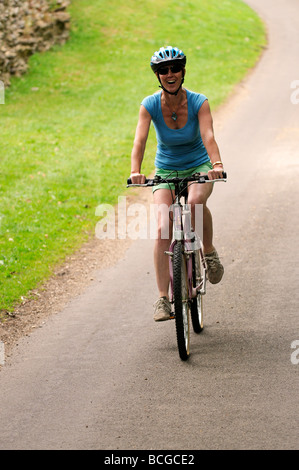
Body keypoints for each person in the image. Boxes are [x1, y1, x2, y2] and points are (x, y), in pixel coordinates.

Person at [130, 46, 225, 322]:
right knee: (162, 226)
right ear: (157, 75)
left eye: (175, 69)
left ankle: (207, 252)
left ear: (183, 71)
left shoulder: (199, 102)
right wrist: (135, 171)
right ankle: (162, 298)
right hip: (166, 171)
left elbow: (208, 136)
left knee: (196, 202)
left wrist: (216, 165)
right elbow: (140, 141)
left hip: (198, 166)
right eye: (163, 70)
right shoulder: (149, 105)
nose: (170, 74)